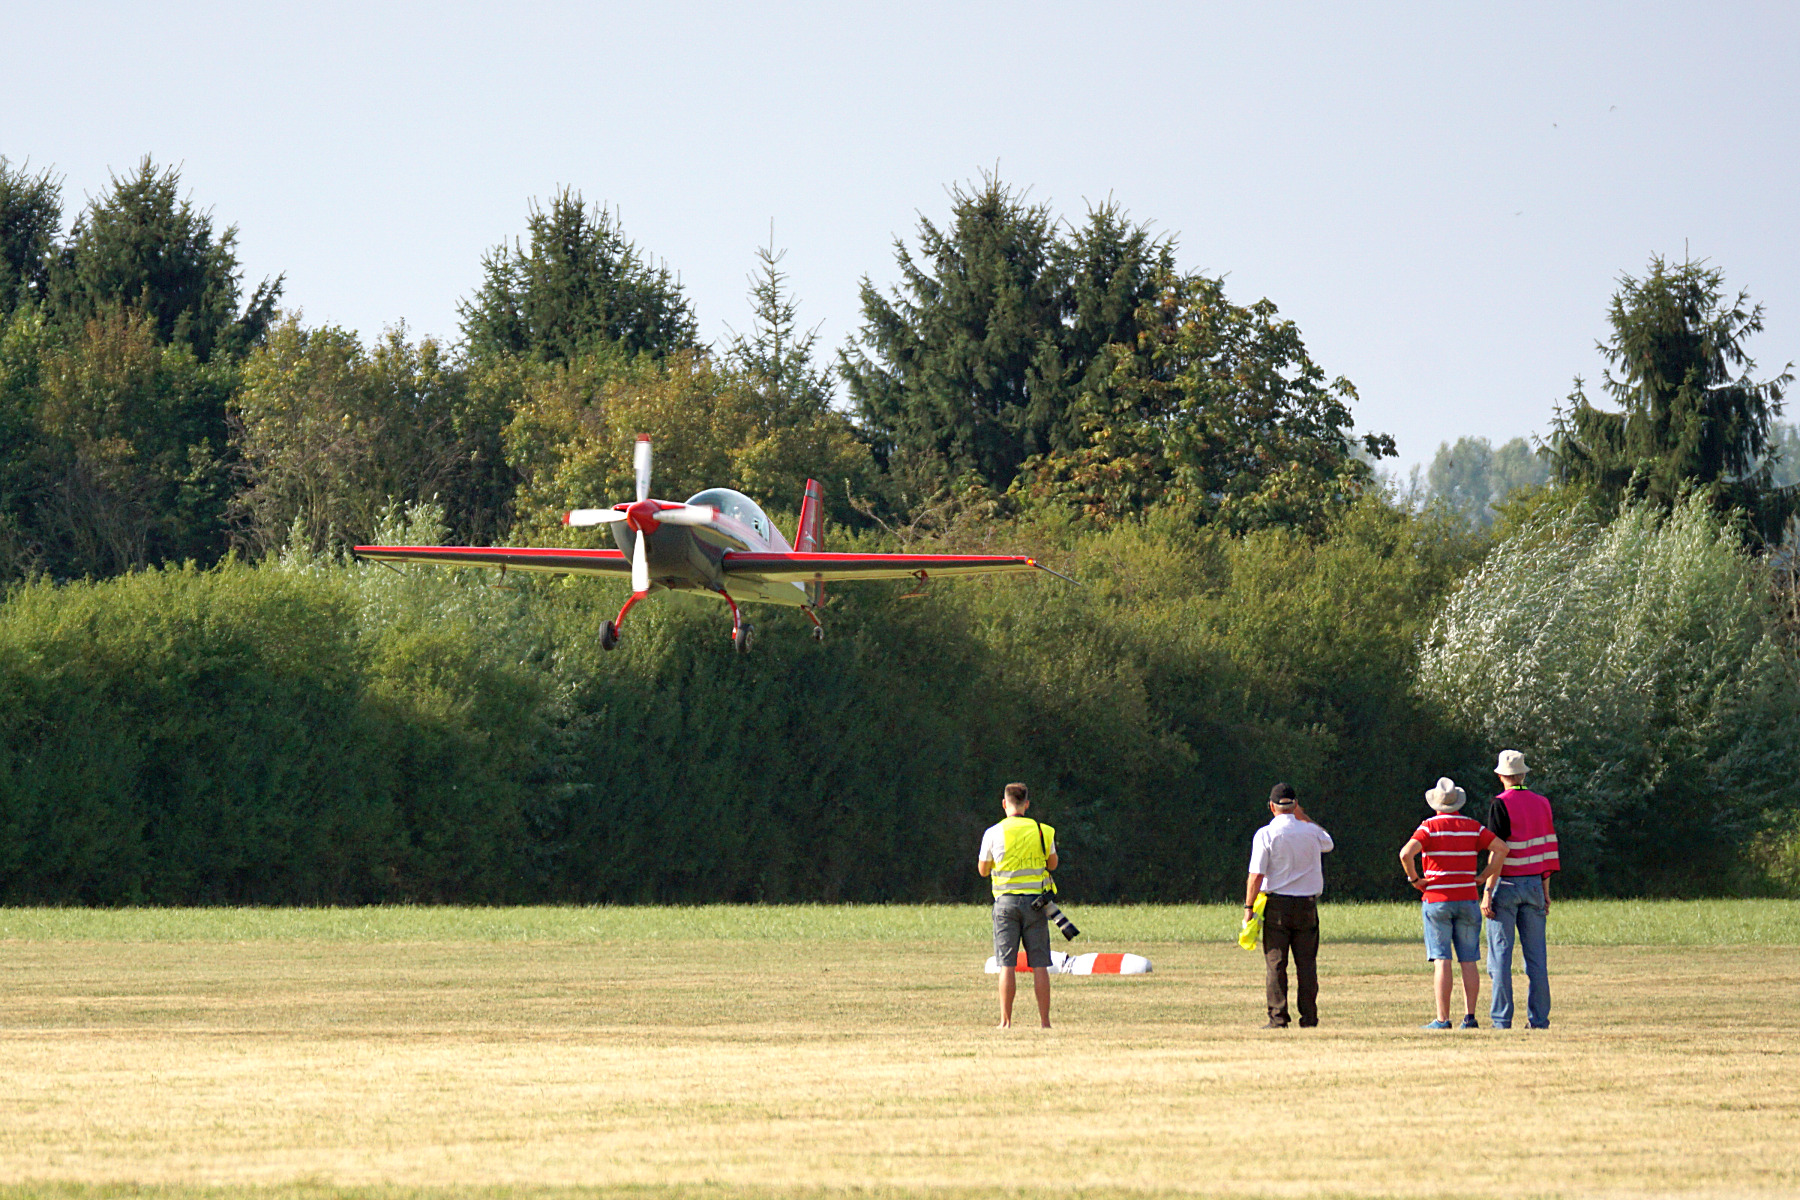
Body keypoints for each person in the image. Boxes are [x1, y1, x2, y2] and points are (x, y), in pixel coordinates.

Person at [1398, 777, 1509, 1029]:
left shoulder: (1428, 827)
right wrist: (1484, 875)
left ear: (1436, 803)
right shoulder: (1473, 827)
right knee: (1469, 960)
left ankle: (1442, 1019)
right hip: (1468, 898)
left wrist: (1415, 879)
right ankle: (1470, 1017)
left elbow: (1406, 853)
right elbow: (1501, 849)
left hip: (1437, 899)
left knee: (1442, 959)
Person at [1245, 783, 1334, 1028]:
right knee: (1306, 964)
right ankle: (1309, 1017)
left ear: (1271, 807)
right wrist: (1302, 816)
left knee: (1276, 963)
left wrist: (1248, 908)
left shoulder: (1265, 834)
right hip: (1307, 906)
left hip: (1277, 906)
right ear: (1295, 805)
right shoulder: (1312, 832)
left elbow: (1256, 875)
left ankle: (1278, 1018)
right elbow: (1329, 843)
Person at [1483, 749, 1559, 1029]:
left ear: (1502, 776)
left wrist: (1488, 890)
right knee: (1537, 959)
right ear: (1523, 774)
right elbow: (1548, 848)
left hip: (1507, 884)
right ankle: (1539, 1019)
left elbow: (1498, 853)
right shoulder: (1542, 803)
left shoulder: (1500, 804)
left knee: (1500, 957)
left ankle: (1501, 1020)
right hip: (1535, 883)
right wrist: (1545, 887)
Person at [977, 782, 1058, 1029]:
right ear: (1027, 804)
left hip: (1006, 904)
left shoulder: (993, 832)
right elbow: (1052, 864)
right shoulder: (1042, 831)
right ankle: (1045, 1022)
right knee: (1040, 964)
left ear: (1004, 803)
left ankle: (1006, 1021)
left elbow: (982, 870)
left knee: (1007, 964)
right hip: (1035, 903)